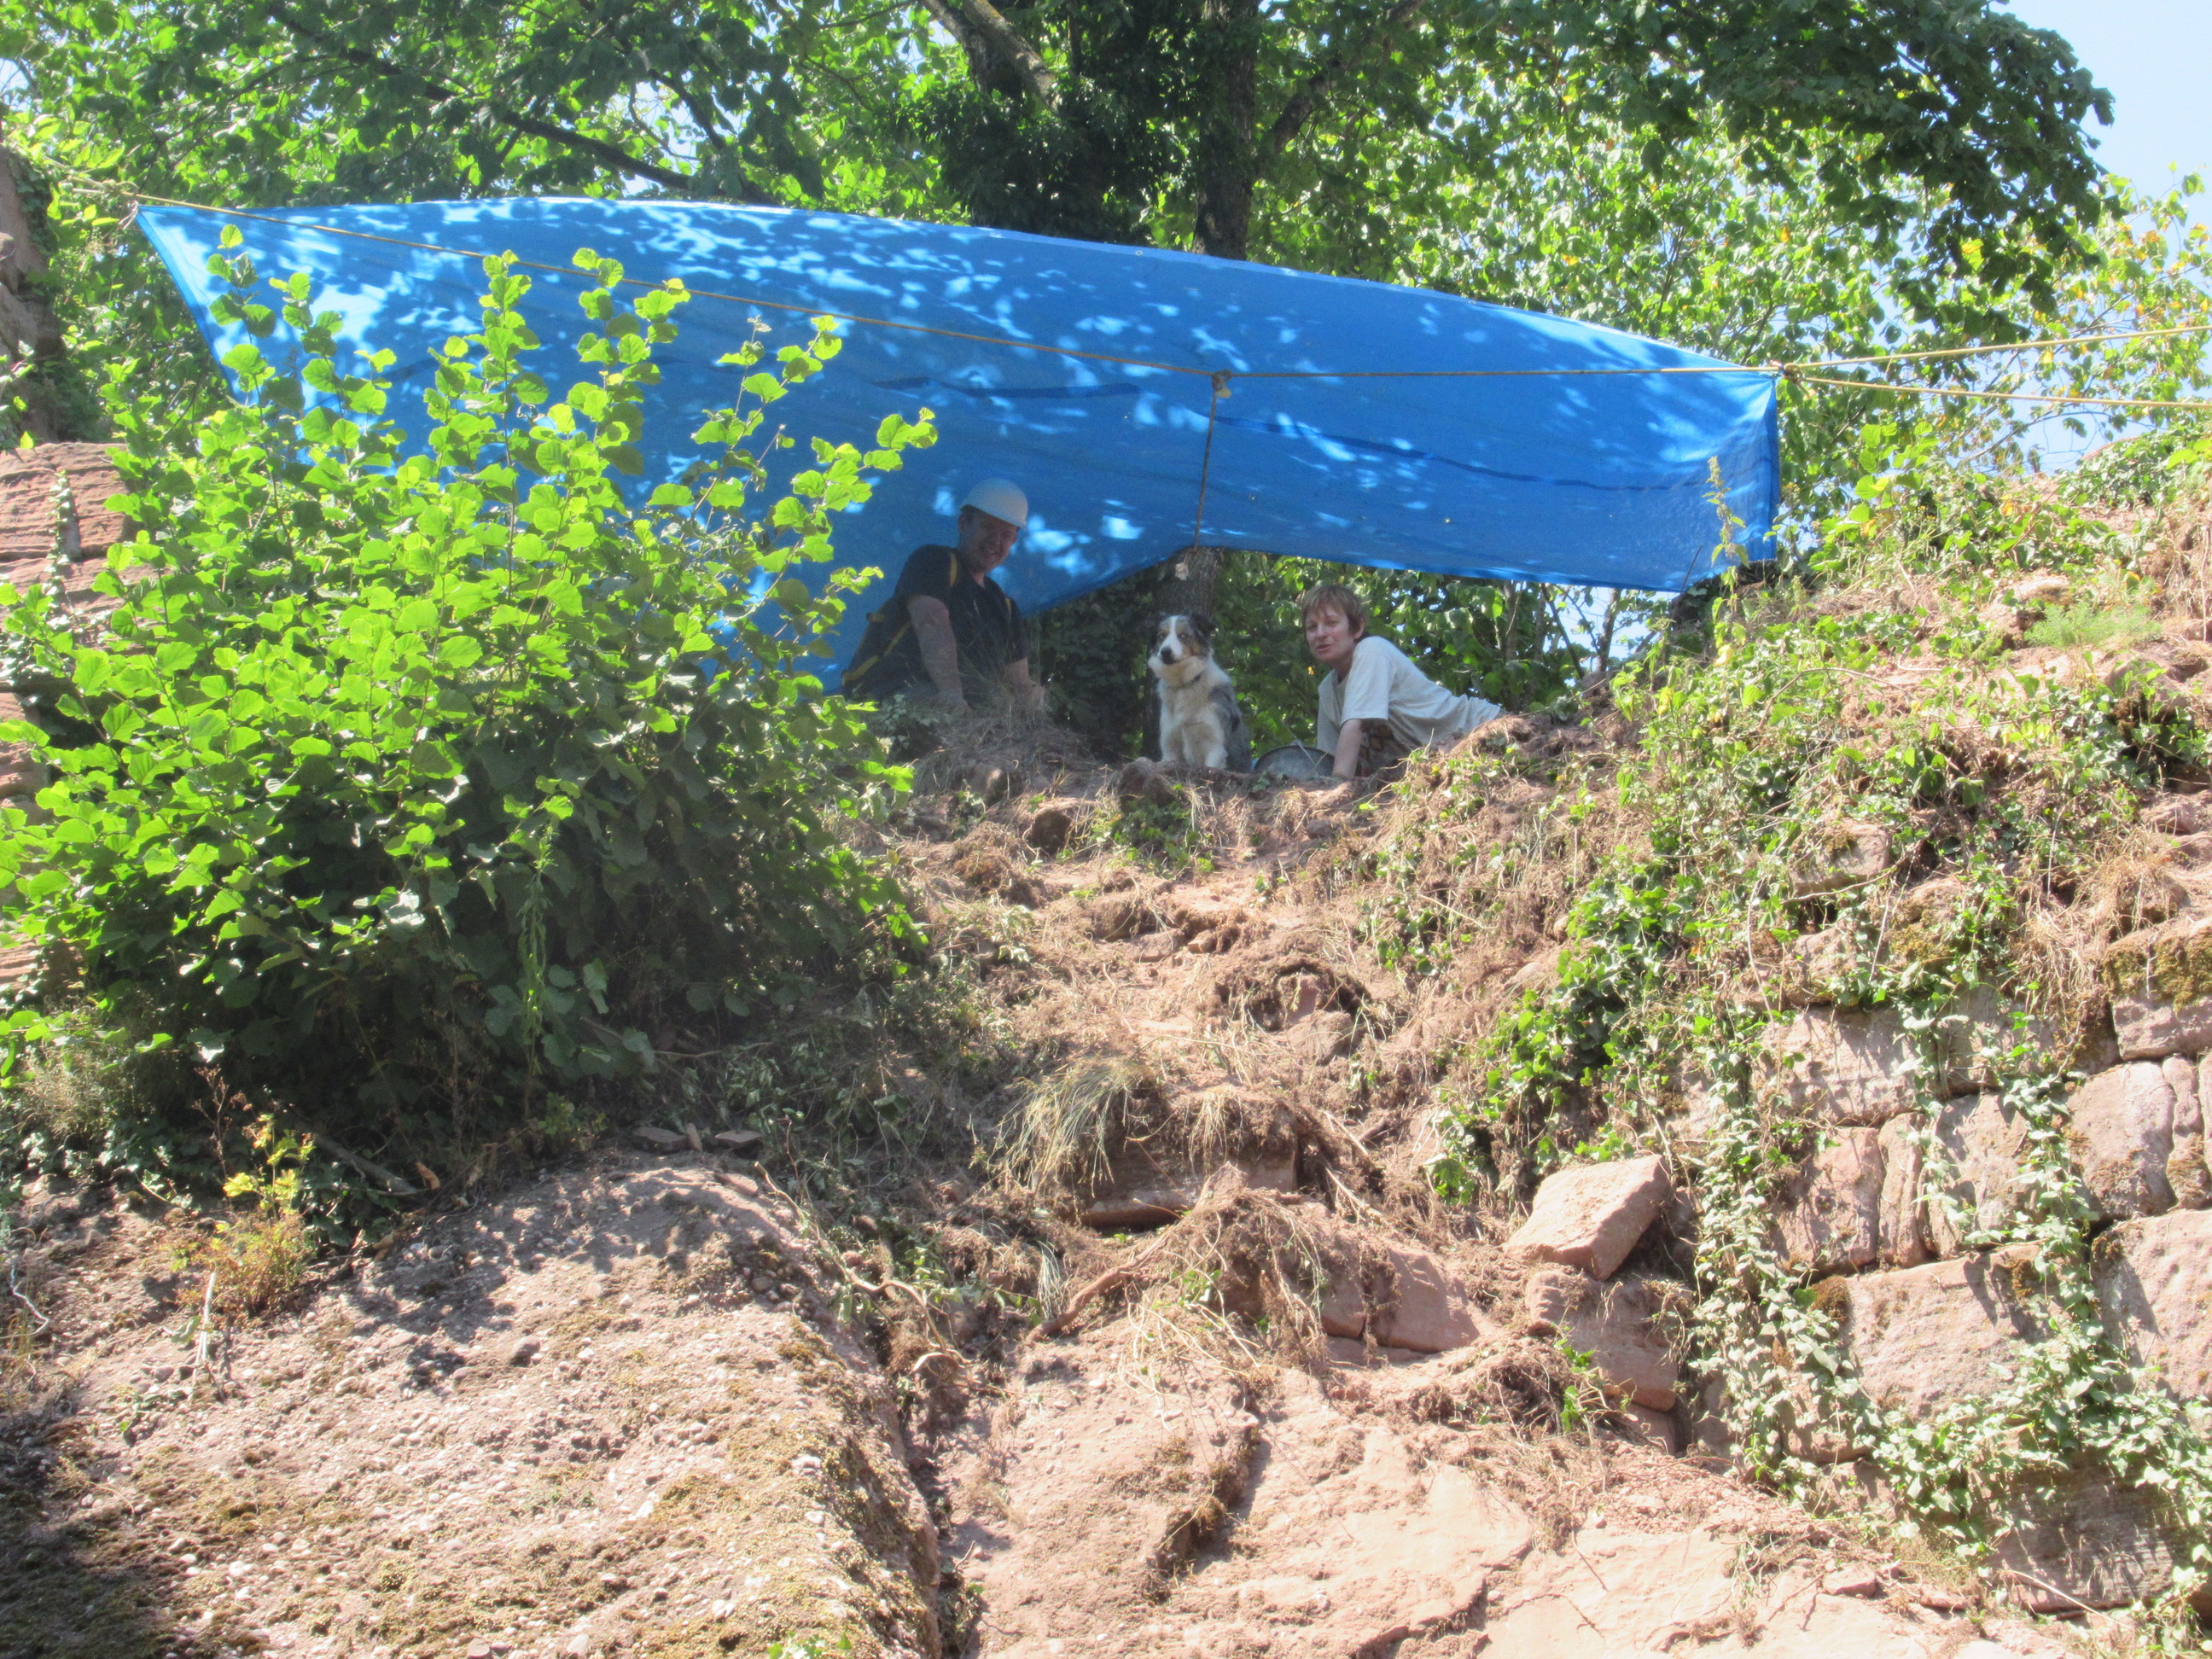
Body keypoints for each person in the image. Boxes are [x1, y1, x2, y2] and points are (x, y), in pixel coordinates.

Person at [841, 478, 1047, 713]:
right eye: (988, 527)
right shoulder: (933, 561)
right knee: (948, 714)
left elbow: (1019, 683)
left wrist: (1031, 701)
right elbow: (932, 623)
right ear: (963, 524)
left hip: (963, 711)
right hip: (896, 695)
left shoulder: (1005, 607)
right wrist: (951, 694)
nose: (995, 541)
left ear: (1014, 541)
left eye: (1006, 534)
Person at [1302, 582, 1500, 780]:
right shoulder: (1327, 690)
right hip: (1436, 767)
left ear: (1357, 628)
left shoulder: (1372, 651)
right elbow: (1325, 762)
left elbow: (1352, 732)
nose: (1320, 634)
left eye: (1331, 623)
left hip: (1482, 730)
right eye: (1312, 627)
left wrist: (1337, 787)